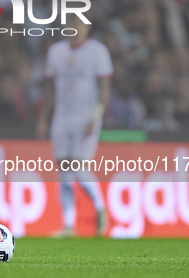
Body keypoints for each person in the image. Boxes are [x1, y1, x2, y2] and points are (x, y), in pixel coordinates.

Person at [37, 18, 112, 237]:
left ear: (87, 26)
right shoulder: (56, 52)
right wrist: (44, 118)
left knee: (78, 166)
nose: (75, 27)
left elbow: (105, 87)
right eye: (71, 22)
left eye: (79, 23)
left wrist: (97, 115)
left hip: (86, 117)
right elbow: (49, 88)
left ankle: (100, 207)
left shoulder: (98, 52)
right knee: (64, 171)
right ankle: (69, 225)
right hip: (61, 117)